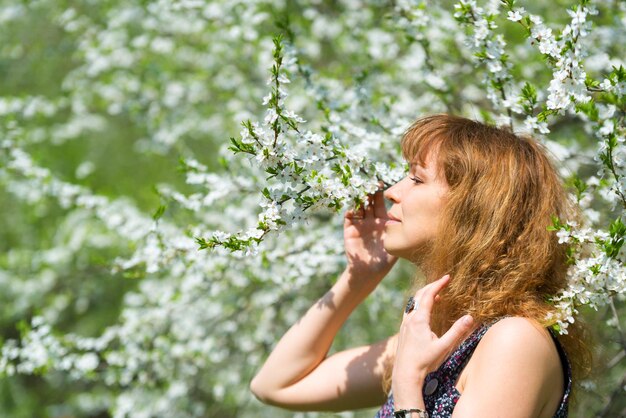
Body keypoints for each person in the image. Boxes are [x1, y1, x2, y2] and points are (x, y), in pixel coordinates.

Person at [250, 114, 590, 417]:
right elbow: (276, 385)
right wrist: (359, 278)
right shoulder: (439, 336)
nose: (393, 192)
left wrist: (409, 386)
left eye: (416, 179)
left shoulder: (514, 342)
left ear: (473, 209)